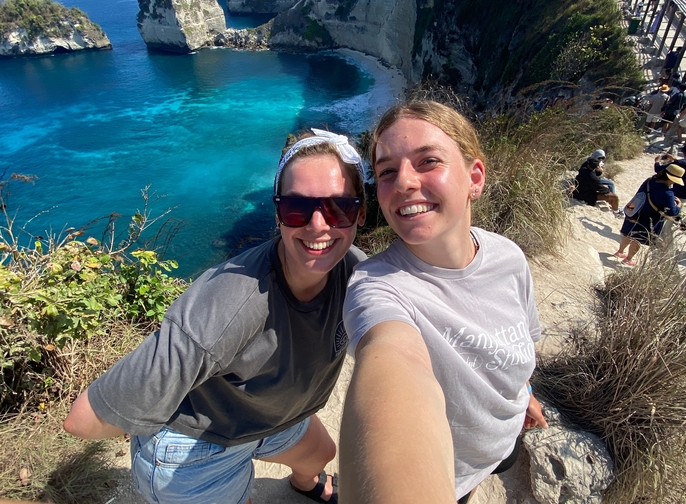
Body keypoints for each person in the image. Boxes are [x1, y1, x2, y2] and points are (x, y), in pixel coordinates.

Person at [64, 129, 368, 504]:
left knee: (321, 454)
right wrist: (150, 436)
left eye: (339, 207)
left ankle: (304, 483)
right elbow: (84, 419)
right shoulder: (228, 305)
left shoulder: (356, 273)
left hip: (265, 419)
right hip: (195, 447)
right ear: (278, 215)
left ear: (361, 213)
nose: (319, 224)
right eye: (297, 208)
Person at [339, 101, 547, 504]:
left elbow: (521, 340)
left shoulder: (508, 257)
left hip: (505, 436)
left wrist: (525, 392)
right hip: (452, 471)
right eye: (385, 171)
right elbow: (392, 362)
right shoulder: (377, 286)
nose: (402, 182)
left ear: (475, 178)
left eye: (427, 161)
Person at [613, 164, 684, 266]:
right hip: (649, 218)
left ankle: (620, 252)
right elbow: (672, 212)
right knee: (637, 239)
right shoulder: (668, 193)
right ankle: (628, 259)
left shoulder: (650, 180)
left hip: (635, 211)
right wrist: (679, 205)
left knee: (628, 233)